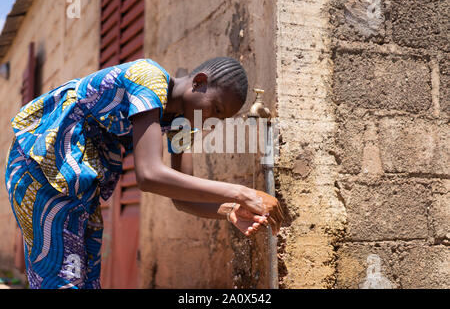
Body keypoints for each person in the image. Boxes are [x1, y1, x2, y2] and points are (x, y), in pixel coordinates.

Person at [5, 56, 284, 289]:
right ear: (199, 82)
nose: (210, 119)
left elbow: (181, 198)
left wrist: (229, 209)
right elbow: (149, 175)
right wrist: (242, 192)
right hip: (41, 165)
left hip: (78, 184)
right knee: (62, 278)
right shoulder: (148, 77)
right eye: (216, 108)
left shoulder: (181, 124)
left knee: (85, 278)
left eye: (220, 119)